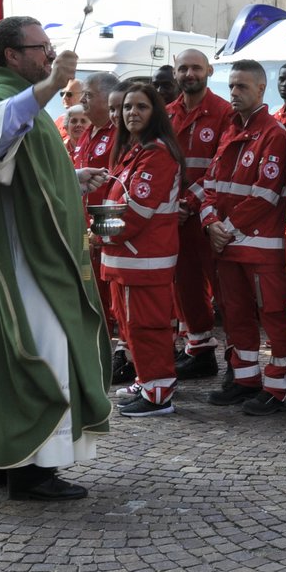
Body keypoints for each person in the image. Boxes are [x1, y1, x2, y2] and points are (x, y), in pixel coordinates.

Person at [0, 15, 112, 502]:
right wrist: (53, 86)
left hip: (22, 252)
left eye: (51, 49)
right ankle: (34, 470)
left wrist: (71, 180)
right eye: (42, 48)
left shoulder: (14, 98)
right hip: (20, 263)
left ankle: (8, 458)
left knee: (27, 354)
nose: (51, 56)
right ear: (13, 56)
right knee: (45, 352)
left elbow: (21, 171)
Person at [200, 59, 286, 413]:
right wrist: (210, 222)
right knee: (235, 316)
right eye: (231, 87)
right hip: (227, 245)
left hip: (260, 248)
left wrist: (224, 229)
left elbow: (266, 193)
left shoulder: (273, 133)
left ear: (260, 89)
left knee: (273, 315)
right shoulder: (231, 129)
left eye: (242, 87)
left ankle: (279, 388)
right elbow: (210, 184)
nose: (234, 93)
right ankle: (244, 380)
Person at [100, 81, 185, 417]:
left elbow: (137, 212)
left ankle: (159, 393)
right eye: (127, 107)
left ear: (156, 113)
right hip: (128, 257)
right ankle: (148, 380)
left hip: (144, 258)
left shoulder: (158, 154)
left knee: (147, 326)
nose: (131, 113)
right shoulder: (134, 151)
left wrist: (99, 234)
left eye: (141, 107)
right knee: (130, 324)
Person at [167, 49, 231, 380]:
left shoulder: (223, 112)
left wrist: (188, 203)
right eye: (183, 68)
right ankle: (200, 351)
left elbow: (220, 168)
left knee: (224, 289)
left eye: (195, 68)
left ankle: (240, 361)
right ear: (175, 73)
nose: (189, 74)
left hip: (210, 216)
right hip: (175, 219)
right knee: (185, 288)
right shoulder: (166, 114)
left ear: (209, 69)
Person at [75, 73, 125, 377]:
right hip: (86, 230)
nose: (82, 101)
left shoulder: (119, 134)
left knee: (112, 300)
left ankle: (117, 355)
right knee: (91, 295)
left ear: (108, 99)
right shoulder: (87, 133)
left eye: (88, 95)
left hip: (108, 231)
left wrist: (101, 229)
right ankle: (96, 351)